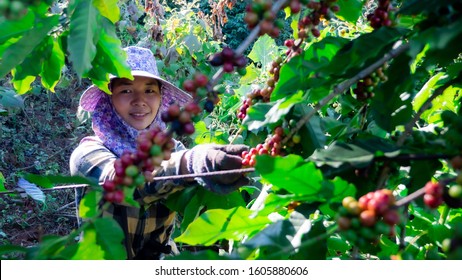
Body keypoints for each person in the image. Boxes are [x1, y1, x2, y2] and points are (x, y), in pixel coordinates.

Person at [69, 46, 249, 259]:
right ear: (108, 98)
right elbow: (124, 184)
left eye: (149, 90)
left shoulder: (172, 149)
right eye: (126, 90)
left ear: (161, 97)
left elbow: (199, 209)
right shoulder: (87, 154)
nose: (139, 100)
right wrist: (189, 163)